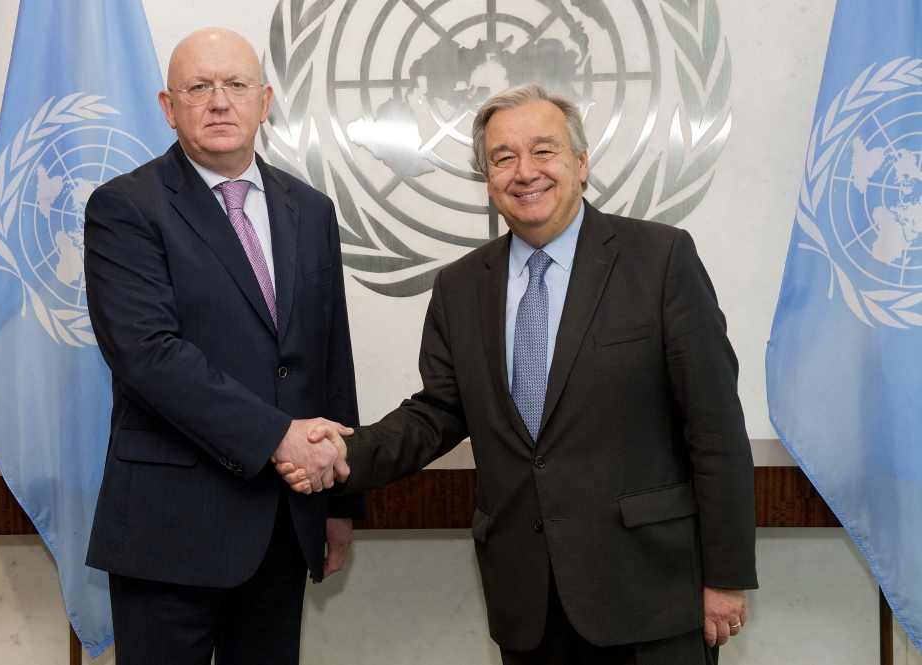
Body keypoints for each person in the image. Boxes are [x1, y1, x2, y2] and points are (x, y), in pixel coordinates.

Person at [278, 83, 757, 665]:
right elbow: (436, 414)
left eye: (544, 151)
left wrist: (726, 577)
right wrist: (343, 456)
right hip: (528, 603)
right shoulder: (460, 287)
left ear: (581, 163)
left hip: (650, 597)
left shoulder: (660, 260)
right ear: (488, 180)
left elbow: (715, 428)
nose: (524, 172)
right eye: (503, 158)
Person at [83, 27, 361, 664]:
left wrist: (340, 502)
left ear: (265, 102)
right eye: (197, 87)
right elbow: (148, 354)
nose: (218, 101)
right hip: (169, 531)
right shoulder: (125, 207)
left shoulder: (311, 209)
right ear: (167, 105)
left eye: (235, 85)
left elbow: (329, 355)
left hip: (284, 526)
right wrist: (277, 438)